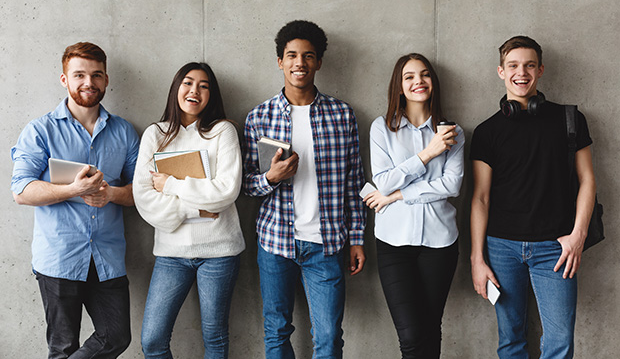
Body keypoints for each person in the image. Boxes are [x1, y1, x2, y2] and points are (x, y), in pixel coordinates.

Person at [242, 20, 366, 359]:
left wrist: (357, 238)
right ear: (280, 61)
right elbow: (246, 185)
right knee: (277, 331)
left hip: (326, 243)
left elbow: (354, 183)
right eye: (292, 55)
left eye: (308, 56)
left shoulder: (342, 115)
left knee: (328, 337)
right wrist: (271, 177)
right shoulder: (259, 117)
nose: (300, 63)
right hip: (275, 242)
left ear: (319, 62)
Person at [470, 36, 596, 358]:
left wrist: (578, 235)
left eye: (528, 65)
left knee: (560, 340)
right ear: (501, 71)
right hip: (502, 249)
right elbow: (480, 198)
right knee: (510, 339)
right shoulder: (487, 132)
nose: (521, 72)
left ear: (540, 70)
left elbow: (587, 180)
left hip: (556, 249)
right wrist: (477, 258)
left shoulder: (570, 119)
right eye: (512, 65)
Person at [10, 42, 138, 358]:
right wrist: (73, 190)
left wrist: (111, 193)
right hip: (58, 256)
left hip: (107, 258)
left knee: (116, 337)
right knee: (62, 347)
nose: (88, 83)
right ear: (65, 79)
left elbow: (143, 191)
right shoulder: (39, 130)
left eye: (96, 75)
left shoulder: (124, 132)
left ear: (106, 80)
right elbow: (21, 191)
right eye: (79, 75)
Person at [133, 62, 245, 359]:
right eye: (188, 83)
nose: (195, 90)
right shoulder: (155, 135)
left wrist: (170, 183)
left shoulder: (223, 131)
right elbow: (144, 197)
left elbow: (226, 190)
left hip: (220, 252)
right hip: (171, 254)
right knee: (153, 341)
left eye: (204, 85)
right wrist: (197, 210)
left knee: (215, 339)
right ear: (176, 88)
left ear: (212, 95)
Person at [363, 53, 464, 358]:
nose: (418, 81)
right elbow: (382, 181)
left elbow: (452, 186)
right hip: (394, 243)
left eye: (425, 75)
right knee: (410, 334)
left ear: (433, 82)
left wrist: (398, 196)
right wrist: (427, 154)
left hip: (441, 242)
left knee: (431, 328)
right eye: (409, 76)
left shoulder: (453, 132)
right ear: (399, 86)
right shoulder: (382, 128)